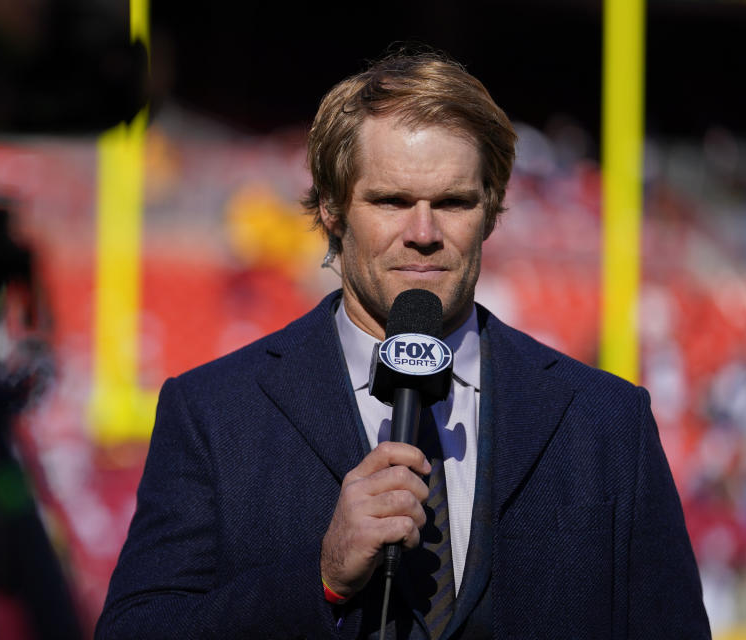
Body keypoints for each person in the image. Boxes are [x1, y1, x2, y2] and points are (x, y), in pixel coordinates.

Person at [96, 51, 710, 639]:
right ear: (333, 208)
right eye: (391, 201)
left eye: (453, 202)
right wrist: (320, 579)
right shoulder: (213, 414)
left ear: (492, 210)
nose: (423, 234)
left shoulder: (606, 424)